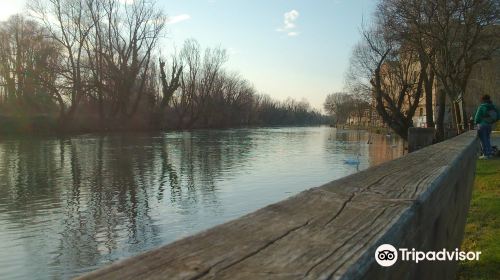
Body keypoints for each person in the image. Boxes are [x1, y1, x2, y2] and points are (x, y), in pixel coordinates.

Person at [474, 94, 499, 159]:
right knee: (487, 139)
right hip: (489, 125)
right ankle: (489, 153)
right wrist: (492, 121)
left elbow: (477, 117)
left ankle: (486, 154)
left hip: (482, 125)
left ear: (483, 100)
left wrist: (475, 122)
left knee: (483, 140)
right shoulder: (493, 107)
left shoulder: (482, 106)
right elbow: (498, 116)